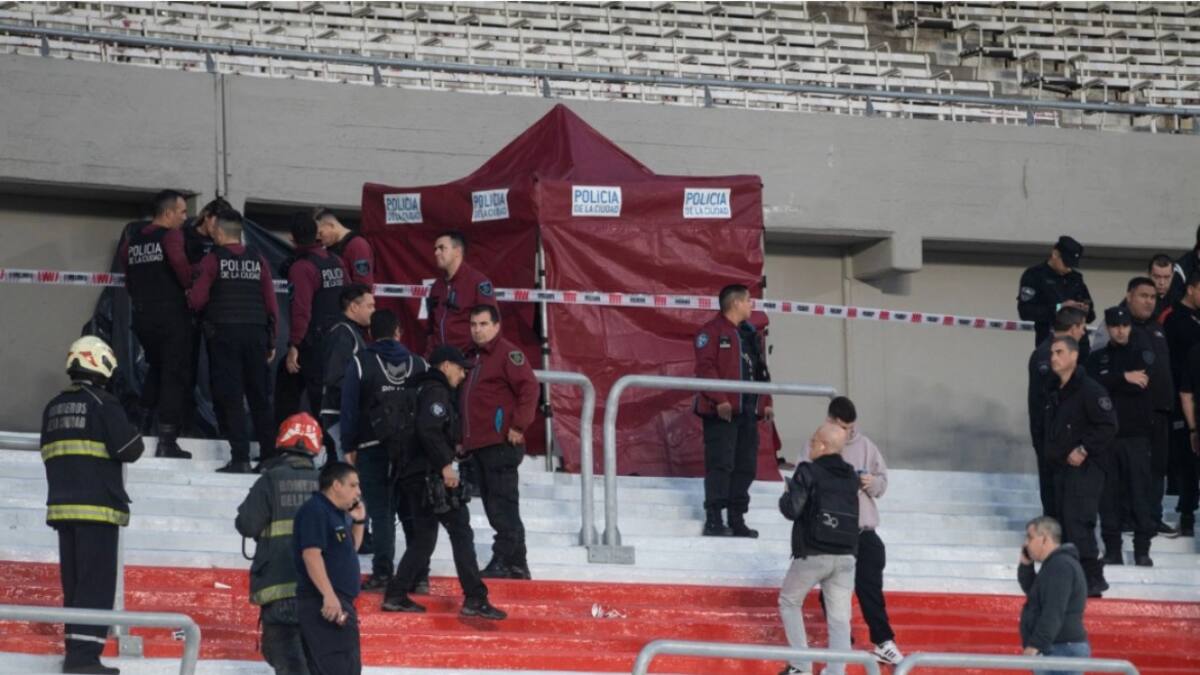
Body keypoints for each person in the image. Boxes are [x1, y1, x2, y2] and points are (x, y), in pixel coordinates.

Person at [41, 336, 145, 675]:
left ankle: (76, 652)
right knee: (96, 585)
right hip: (97, 509)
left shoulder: (53, 406)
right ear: (101, 364)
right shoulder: (103, 404)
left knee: (73, 585)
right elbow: (130, 448)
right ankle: (84, 659)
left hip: (62, 509)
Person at [381, 346, 507, 620]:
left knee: (424, 538)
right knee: (461, 532)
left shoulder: (417, 390)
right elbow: (429, 430)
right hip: (432, 477)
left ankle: (396, 593)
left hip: (413, 475)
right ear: (446, 365)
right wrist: (445, 465)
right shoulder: (435, 392)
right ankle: (475, 597)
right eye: (461, 369)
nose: (462, 375)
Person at [341, 309, 428, 590]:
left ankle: (382, 573)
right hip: (412, 451)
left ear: (370, 333)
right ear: (398, 332)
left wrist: (348, 445)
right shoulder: (419, 365)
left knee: (381, 513)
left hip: (371, 447)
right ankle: (419, 576)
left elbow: (349, 409)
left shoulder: (360, 362)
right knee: (411, 512)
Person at [188, 208, 279, 474]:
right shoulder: (258, 259)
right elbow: (271, 302)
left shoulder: (212, 260)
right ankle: (269, 455)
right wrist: (271, 340)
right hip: (256, 334)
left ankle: (240, 458)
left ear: (219, 231)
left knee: (232, 397)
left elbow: (197, 300)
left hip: (224, 335)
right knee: (260, 397)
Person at [234, 413, 322, 675]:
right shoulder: (329, 482)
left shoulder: (270, 479)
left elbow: (247, 525)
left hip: (278, 586)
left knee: (285, 654)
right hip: (320, 590)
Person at [822, 397, 904, 666]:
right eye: (842, 426)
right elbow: (803, 478)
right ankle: (841, 641)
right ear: (831, 420)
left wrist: (872, 482)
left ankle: (883, 641)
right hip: (833, 531)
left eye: (850, 427)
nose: (848, 432)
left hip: (863, 530)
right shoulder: (817, 444)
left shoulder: (866, 445)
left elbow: (882, 483)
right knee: (831, 591)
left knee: (870, 587)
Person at [462, 304, 539, 579]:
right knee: (498, 504)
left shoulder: (507, 354)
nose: (477, 330)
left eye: (483, 324)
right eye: (473, 324)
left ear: (496, 326)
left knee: (501, 505)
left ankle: (505, 559)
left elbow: (530, 388)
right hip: (480, 444)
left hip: (500, 442)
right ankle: (517, 564)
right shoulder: (472, 357)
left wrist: (518, 425)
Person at [777, 422, 857, 675]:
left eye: (813, 441)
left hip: (813, 551)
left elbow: (793, 509)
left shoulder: (808, 471)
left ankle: (801, 666)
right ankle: (836, 672)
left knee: (789, 601)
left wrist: (786, 494)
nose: (810, 445)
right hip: (846, 554)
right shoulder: (851, 475)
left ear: (822, 445)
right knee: (840, 619)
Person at [118, 189, 194, 459]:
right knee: (174, 374)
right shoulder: (171, 236)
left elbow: (128, 277)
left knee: (157, 369)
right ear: (168, 213)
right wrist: (192, 286)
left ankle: (139, 426)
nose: (185, 218)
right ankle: (167, 441)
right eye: (182, 211)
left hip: (143, 317)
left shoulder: (134, 240)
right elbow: (183, 271)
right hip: (170, 316)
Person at [694, 284, 774, 538]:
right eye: (749, 300)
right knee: (721, 464)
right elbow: (705, 369)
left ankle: (737, 518)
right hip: (722, 414)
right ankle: (714, 518)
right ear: (736, 303)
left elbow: (761, 371)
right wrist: (720, 400)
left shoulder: (750, 334)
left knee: (746, 467)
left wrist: (766, 401)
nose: (753, 305)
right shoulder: (711, 332)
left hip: (748, 413)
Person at [1043, 336, 1117, 597]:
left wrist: (1084, 448)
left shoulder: (1089, 389)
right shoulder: (1055, 390)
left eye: (1060, 352)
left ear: (1074, 356)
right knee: (1063, 522)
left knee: (1078, 521)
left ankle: (1093, 578)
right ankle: (1071, 578)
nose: (1054, 357)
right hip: (1061, 467)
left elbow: (1108, 425)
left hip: (1087, 467)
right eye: (1052, 352)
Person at [1085, 307, 1156, 567]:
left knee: (1139, 493)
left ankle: (1142, 551)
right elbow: (1092, 385)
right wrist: (1124, 377)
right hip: (1106, 438)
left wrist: (1112, 380)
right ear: (1109, 329)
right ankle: (1113, 550)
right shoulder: (1097, 358)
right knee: (1108, 496)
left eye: (1124, 326)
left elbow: (1142, 381)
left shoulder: (1142, 353)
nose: (1120, 330)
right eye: (1115, 326)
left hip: (1136, 437)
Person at [276, 214, 347, 445]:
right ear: (316, 234)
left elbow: (301, 310)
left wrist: (294, 345)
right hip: (336, 340)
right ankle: (328, 450)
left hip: (312, 343)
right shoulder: (335, 261)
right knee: (324, 399)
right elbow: (347, 295)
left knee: (301, 394)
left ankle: (285, 449)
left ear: (291, 238)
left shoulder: (303, 267)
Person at [293, 462, 366, 675]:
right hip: (325, 604)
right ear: (336, 485)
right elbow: (311, 555)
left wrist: (359, 521)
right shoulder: (316, 510)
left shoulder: (334, 514)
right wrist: (329, 596)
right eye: (353, 485)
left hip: (337, 602)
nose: (358, 492)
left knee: (344, 667)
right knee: (339, 667)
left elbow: (350, 550)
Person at [1123, 278, 1180, 538]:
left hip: (1161, 410)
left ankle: (1153, 517)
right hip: (1133, 413)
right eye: (1143, 296)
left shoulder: (1158, 328)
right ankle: (1128, 517)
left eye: (1152, 297)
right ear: (1129, 296)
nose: (1148, 301)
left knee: (1158, 468)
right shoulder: (1120, 327)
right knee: (1132, 468)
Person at [1028, 308, 1088, 518]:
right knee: (1055, 494)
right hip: (1052, 435)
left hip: (1059, 434)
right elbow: (1051, 398)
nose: (1083, 333)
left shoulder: (1054, 352)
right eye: (1082, 328)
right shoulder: (1048, 355)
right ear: (1073, 328)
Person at [1018, 516, 1091, 675]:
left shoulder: (1060, 565)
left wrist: (1035, 645)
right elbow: (1035, 594)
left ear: (1044, 539)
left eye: (1030, 538)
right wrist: (1026, 565)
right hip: (1058, 647)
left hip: (1061, 649)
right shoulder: (1054, 565)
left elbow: (1053, 610)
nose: (1026, 543)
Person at [1162, 272, 1200, 537]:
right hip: (1181, 401)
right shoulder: (1173, 318)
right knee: (1187, 463)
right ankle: (1186, 517)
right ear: (1191, 289)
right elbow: (1184, 390)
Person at [319, 284, 373, 459]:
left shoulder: (351, 332)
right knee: (344, 470)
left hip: (344, 412)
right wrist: (365, 393)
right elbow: (335, 376)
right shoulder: (343, 333)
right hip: (338, 413)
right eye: (369, 306)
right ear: (354, 307)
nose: (373, 311)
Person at [1017, 236, 1095, 356]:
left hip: (1078, 346)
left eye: (1072, 264)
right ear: (1055, 254)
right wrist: (1059, 307)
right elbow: (1025, 311)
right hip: (1051, 344)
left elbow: (1091, 314)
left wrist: (1083, 308)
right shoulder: (1034, 275)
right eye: (1066, 263)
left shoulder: (1076, 278)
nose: (1068, 268)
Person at [426, 231, 498, 352]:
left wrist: (478, 360)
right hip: (439, 361)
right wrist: (429, 353)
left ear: (457, 251)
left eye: (441, 248)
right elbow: (431, 327)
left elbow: (491, 325)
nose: (436, 253)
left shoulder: (478, 282)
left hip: (466, 361)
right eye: (435, 249)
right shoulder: (436, 286)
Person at [316, 208, 375, 288]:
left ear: (330, 225)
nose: (319, 238)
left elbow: (363, 284)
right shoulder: (329, 247)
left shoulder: (357, 245)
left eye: (320, 233)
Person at [1149, 253, 1178, 320]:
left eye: (1167, 277)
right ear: (1149, 274)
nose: (1162, 282)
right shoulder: (1136, 298)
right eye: (1157, 277)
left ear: (1173, 275)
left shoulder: (1181, 298)